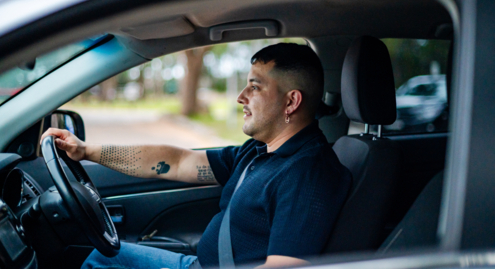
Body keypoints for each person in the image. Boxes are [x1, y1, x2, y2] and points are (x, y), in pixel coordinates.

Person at [41, 43, 352, 269]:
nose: (240, 97)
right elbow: (178, 162)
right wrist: (86, 151)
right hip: (198, 263)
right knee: (102, 258)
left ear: (291, 101)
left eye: (254, 88)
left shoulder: (307, 174)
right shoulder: (260, 150)